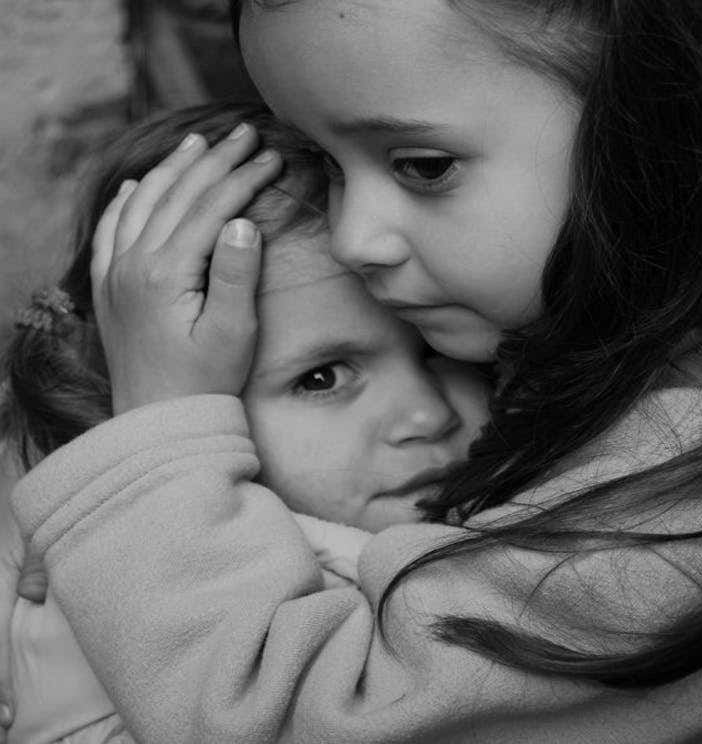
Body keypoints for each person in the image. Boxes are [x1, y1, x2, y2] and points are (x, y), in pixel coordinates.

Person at [9, 0, 702, 740]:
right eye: (325, 157)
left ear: (687, 120)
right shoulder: (615, 332)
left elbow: (300, 723)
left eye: (423, 166)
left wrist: (155, 438)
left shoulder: (686, 485)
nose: (356, 237)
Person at [0, 103, 488, 743]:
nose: (429, 414)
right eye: (322, 378)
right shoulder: (109, 632)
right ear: (163, 407)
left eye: (440, 349)